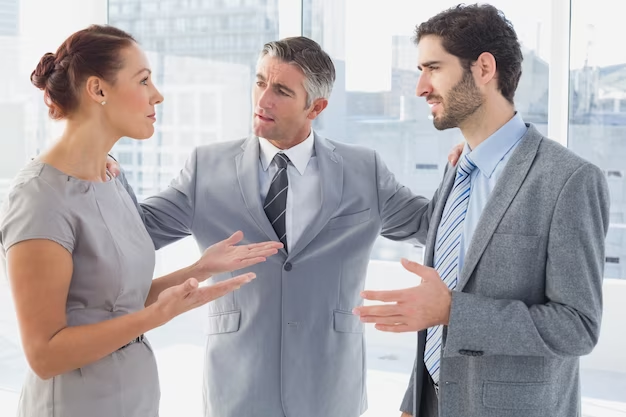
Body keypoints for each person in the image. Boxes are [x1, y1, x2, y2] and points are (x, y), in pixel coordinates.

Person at [108, 36, 463, 417]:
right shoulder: (205, 168)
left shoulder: (364, 170)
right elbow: (136, 234)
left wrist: (464, 169)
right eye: (260, 82)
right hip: (238, 386)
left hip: (329, 388)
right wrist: (104, 168)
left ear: (317, 107)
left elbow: (434, 226)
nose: (263, 100)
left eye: (280, 90)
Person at [0, 25, 282, 417]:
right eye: (144, 80)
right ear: (98, 90)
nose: (158, 95)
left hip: (134, 397)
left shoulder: (111, 177)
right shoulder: (38, 197)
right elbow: (44, 354)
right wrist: (157, 316)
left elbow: (115, 303)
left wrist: (200, 269)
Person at [352, 4, 611, 417]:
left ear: (484, 68)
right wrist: (414, 401)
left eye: (433, 67)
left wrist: (454, 310)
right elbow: (444, 291)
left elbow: (577, 327)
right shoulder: (457, 168)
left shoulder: (569, 180)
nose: (420, 87)